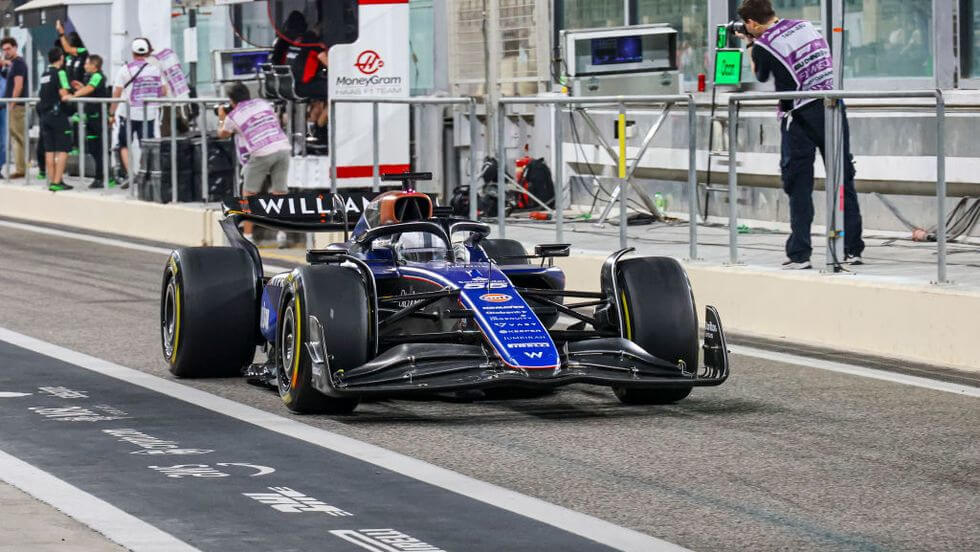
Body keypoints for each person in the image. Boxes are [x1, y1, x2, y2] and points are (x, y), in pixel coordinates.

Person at [738, 0, 864, 269]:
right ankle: (852, 248)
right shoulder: (805, 26)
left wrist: (749, 44)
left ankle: (800, 254)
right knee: (842, 179)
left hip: (799, 115)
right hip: (832, 105)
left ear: (751, 24)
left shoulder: (763, 45)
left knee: (799, 185)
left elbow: (760, 76)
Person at [217, 83, 290, 247]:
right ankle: (282, 233)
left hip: (261, 152)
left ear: (231, 101)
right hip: (283, 147)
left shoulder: (233, 116)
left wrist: (221, 116)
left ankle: (248, 236)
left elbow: (222, 134)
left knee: (249, 195)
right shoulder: (262, 103)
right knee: (280, 192)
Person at [109, 37, 165, 186]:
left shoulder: (125, 70)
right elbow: (163, 91)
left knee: (123, 144)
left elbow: (117, 93)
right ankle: (142, 172)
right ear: (147, 52)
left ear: (133, 52)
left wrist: (111, 113)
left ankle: (131, 174)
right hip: (150, 114)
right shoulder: (155, 69)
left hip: (128, 113)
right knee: (146, 144)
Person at [68, 54, 109, 189]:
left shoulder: (98, 76)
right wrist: (80, 87)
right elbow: (89, 90)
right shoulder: (91, 78)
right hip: (90, 118)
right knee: (93, 148)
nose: (85, 66)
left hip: (97, 118)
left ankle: (101, 177)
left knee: (99, 149)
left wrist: (74, 95)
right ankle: (98, 176)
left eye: (87, 64)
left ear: (94, 66)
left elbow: (90, 89)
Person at [37, 47, 73, 191]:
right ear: (61, 58)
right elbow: (64, 94)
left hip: (44, 116)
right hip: (57, 116)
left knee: (49, 150)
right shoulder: (60, 72)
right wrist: (75, 95)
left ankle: (53, 181)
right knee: (64, 149)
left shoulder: (45, 74)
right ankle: (57, 182)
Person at [0, 37, 28, 178]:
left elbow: (18, 85)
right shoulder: (11, 64)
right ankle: (20, 168)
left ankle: (21, 169)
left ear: (15, 47)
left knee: (18, 138)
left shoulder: (18, 63)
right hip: (12, 105)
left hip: (16, 106)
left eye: (8, 48)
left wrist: (12, 103)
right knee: (16, 137)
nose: (6, 52)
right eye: (4, 49)